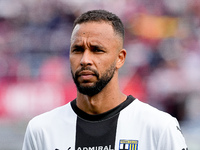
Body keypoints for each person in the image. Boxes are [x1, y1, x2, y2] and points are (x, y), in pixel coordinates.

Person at [22, 10, 188, 150]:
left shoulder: (158, 127)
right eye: (77, 50)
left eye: (97, 50)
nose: (85, 59)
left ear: (120, 58)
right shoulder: (41, 130)